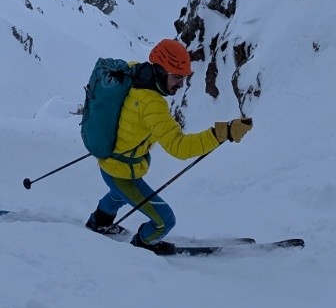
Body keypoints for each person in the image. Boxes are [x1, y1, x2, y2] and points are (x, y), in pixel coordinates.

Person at [85, 38, 252, 255]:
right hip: (121, 173)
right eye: (177, 77)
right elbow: (179, 147)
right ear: (161, 71)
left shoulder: (136, 73)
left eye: (183, 78)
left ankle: (99, 222)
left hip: (110, 162)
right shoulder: (151, 104)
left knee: (118, 195)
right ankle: (143, 243)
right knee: (165, 220)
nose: (181, 84)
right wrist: (222, 133)